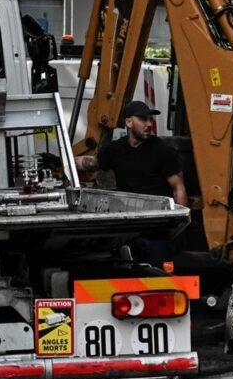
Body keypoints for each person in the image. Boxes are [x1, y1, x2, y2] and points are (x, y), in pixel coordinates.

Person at [76, 101, 187, 266]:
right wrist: (71, 161)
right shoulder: (115, 149)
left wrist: (179, 229)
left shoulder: (162, 150)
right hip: (128, 232)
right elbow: (94, 163)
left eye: (150, 119)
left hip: (157, 234)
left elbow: (178, 188)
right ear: (128, 122)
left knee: (158, 280)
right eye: (143, 119)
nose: (149, 124)